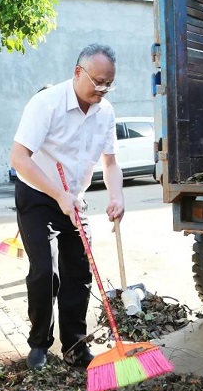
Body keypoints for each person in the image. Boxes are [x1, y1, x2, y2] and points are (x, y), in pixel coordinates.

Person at [10, 44, 125, 370]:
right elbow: (19, 159)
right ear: (78, 73)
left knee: (79, 272)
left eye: (109, 84)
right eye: (98, 81)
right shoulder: (46, 103)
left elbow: (111, 163)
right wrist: (58, 195)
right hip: (38, 195)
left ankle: (75, 346)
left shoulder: (105, 113)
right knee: (46, 272)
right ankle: (39, 346)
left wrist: (116, 195)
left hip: (74, 199)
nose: (102, 89)